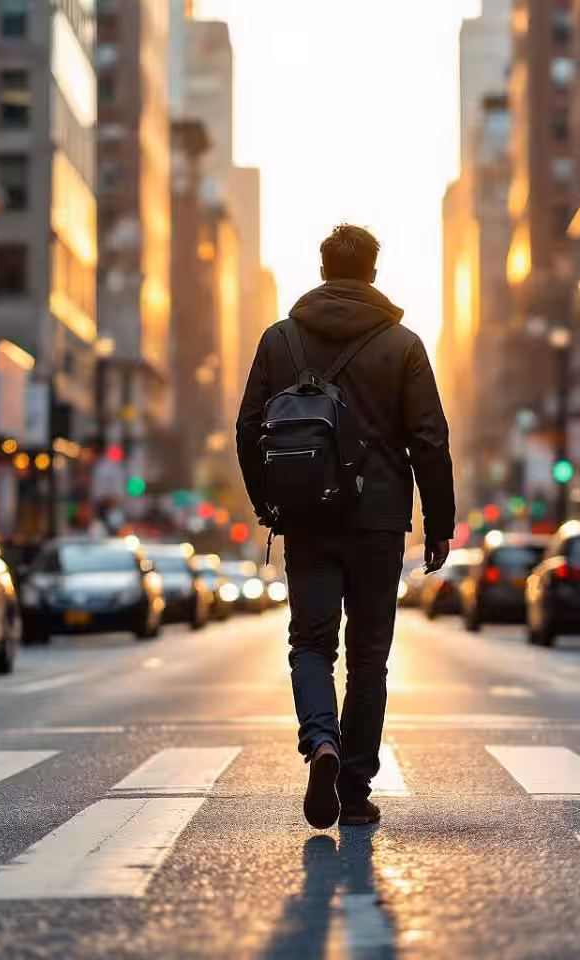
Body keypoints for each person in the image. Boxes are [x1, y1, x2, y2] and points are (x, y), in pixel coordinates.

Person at [236, 224, 455, 829]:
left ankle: (321, 742)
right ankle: (354, 790)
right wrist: (439, 523)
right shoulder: (404, 344)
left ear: (323, 268)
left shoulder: (279, 340)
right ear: (373, 274)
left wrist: (268, 503)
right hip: (380, 521)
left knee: (310, 642)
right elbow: (430, 438)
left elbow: (248, 428)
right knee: (368, 657)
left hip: (306, 517)